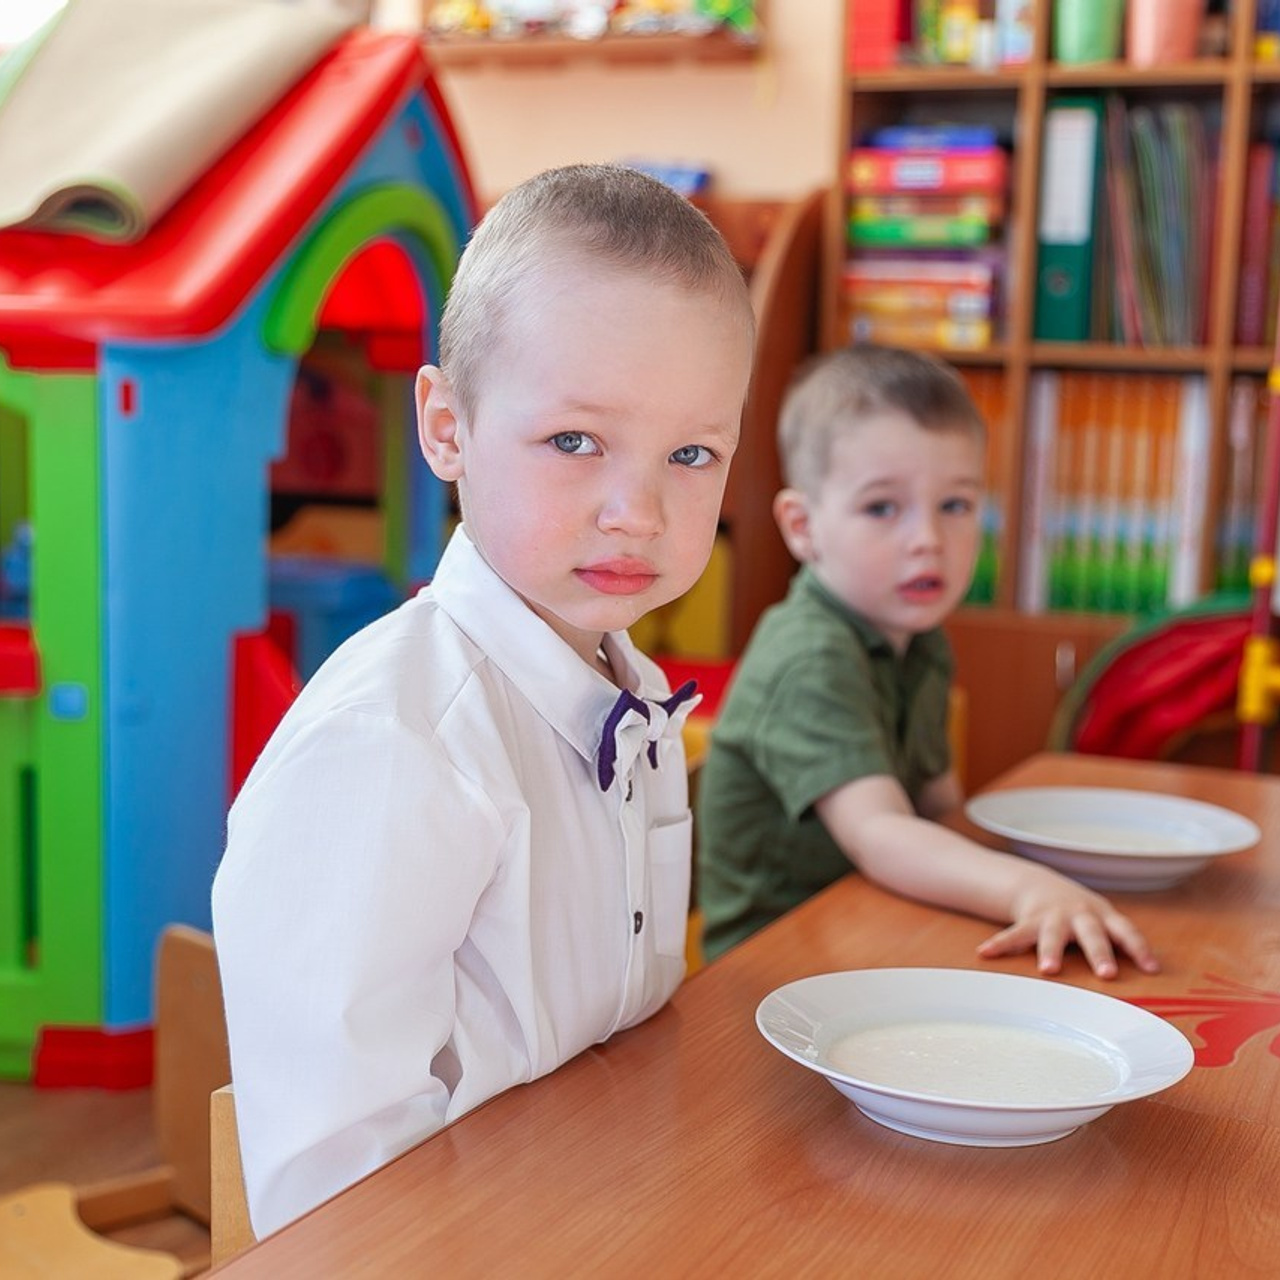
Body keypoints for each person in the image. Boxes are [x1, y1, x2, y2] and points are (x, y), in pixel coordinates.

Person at [212, 163, 756, 1237]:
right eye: (574, 441)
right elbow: (338, 1209)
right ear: (446, 425)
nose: (637, 511)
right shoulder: (391, 747)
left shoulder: (626, 687)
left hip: (616, 1206)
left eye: (691, 453)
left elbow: (621, 1033)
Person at [696, 343, 1159, 980]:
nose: (928, 541)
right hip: (774, 970)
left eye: (956, 505)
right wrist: (1029, 888)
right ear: (802, 527)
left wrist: (1056, 872)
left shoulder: (921, 640)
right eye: (883, 507)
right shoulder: (809, 655)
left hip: (880, 923)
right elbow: (881, 833)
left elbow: (943, 813)